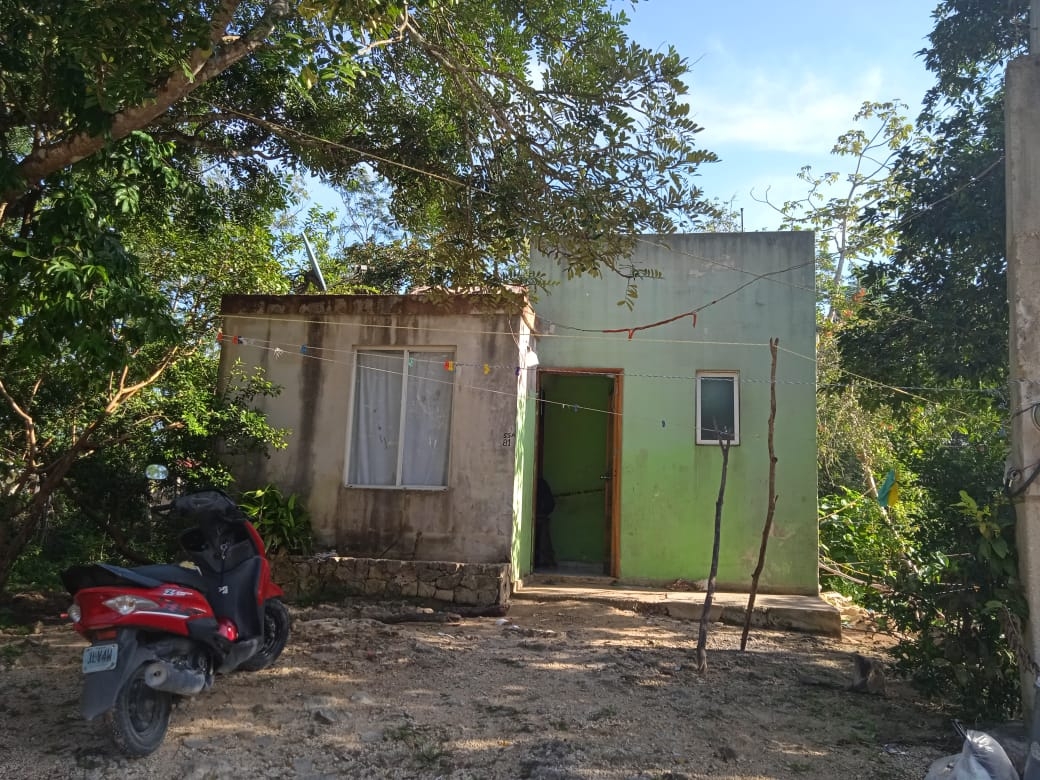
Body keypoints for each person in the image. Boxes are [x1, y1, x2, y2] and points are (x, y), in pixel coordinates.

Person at [534, 477, 556, 568]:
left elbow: (550, 503)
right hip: (540, 516)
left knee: (543, 541)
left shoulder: (539, 483)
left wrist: (541, 512)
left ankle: (545, 561)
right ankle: (546, 562)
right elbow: (551, 503)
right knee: (543, 541)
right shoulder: (541, 483)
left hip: (539, 516)